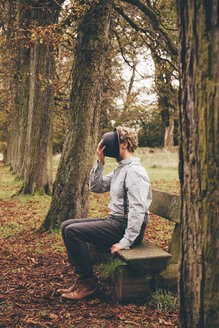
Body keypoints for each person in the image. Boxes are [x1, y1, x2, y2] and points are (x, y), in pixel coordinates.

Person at [57, 126, 152, 300]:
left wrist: (126, 241)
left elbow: (137, 210)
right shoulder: (121, 169)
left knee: (72, 232)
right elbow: (96, 187)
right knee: (66, 226)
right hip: (115, 222)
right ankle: (82, 279)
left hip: (125, 227)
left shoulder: (134, 172)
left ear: (123, 144)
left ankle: (88, 283)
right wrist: (99, 163)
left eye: (115, 141)